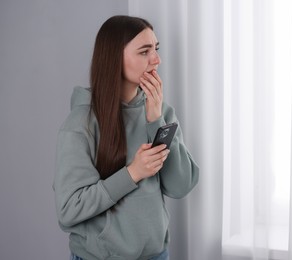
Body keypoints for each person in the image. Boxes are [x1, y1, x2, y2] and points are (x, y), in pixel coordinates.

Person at [53, 15, 199, 260]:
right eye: (144, 51)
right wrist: (133, 173)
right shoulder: (81, 124)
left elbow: (180, 185)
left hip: (157, 255)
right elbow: (69, 209)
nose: (156, 60)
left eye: (156, 49)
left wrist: (155, 121)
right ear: (114, 59)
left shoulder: (161, 111)